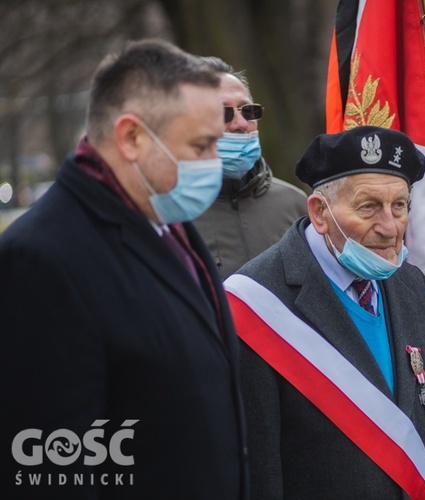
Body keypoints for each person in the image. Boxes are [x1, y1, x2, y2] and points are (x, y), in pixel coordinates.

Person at [0, 40, 248, 498]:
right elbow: (51, 468)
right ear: (132, 138)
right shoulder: (42, 258)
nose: (216, 161)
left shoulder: (168, 222)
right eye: (202, 144)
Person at [224, 125, 425, 499]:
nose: (390, 227)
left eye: (399, 206)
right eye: (368, 206)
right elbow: (259, 470)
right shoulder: (254, 304)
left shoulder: (411, 283)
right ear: (320, 213)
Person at [193, 57, 308, 279]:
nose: (240, 124)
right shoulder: (166, 212)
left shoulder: (295, 204)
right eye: (222, 113)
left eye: (247, 111)